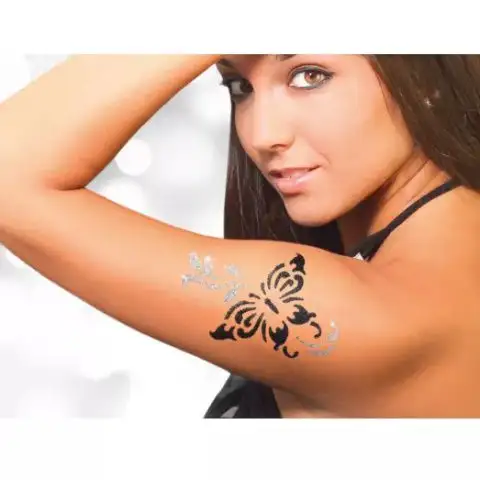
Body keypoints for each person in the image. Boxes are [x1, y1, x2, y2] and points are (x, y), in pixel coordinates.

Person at [0, 54, 478, 418]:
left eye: (309, 76)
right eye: (239, 86)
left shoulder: (371, 315)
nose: (262, 134)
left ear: (424, 77)